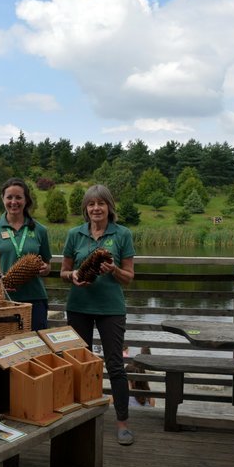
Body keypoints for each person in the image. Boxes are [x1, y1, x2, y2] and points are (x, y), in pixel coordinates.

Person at [60, 184, 136, 445]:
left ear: (109, 207)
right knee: (78, 363)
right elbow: (63, 272)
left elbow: (129, 278)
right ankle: (79, 416)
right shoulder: (74, 234)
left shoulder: (123, 234)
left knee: (115, 365)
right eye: (91, 204)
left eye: (100, 204)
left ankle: (122, 423)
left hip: (110, 309)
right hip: (78, 306)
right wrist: (73, 276)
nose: (96, 208)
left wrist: (113, 270)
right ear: (85, 208)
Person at [0, 178, 52, 330]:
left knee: (36, 346)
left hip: (34, 299)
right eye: (9, 197)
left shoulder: (40, 230)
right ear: (2, 199)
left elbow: (47, 265)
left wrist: (45, 269)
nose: (14, 202)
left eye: (19, 197)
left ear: (26, 200)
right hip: (1, 300)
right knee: (4, 347)